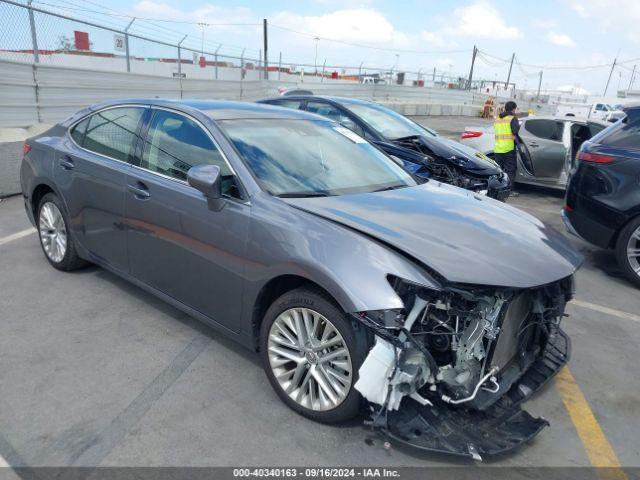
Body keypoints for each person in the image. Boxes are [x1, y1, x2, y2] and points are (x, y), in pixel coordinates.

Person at [494, 101, 520, 197]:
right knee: (510, 170)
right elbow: (515, 131)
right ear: (513, 109)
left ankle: (497, 189)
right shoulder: (512, 118)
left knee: (498, 170)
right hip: (508, 149)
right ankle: (508, 191)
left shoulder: (498, 118)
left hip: (497, 149)